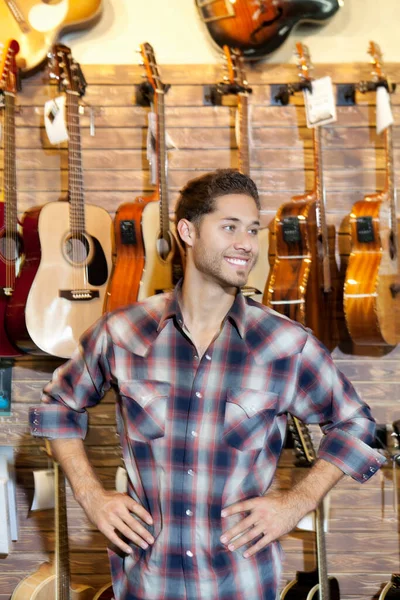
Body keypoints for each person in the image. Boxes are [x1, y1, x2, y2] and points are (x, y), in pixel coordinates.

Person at [30, 169, 385, 600]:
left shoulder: (285, 344)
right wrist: (91, 496)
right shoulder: (122, 332)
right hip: (147, 582)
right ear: (187, 231)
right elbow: (57, 408)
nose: (247, 244)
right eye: (230, 227)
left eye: (253, 230)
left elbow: (357, 426)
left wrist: (297, 502)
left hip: (240, 582)